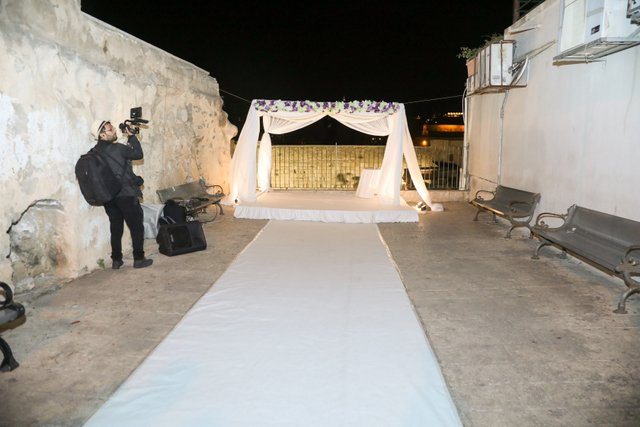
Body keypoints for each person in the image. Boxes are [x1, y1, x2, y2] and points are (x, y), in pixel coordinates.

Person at [90, 119, 153, 269]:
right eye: (110, 129)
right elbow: (138, 154)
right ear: (102, 135)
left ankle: (116, 260)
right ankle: (139, 259)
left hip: (109, 197)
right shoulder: (117, 148)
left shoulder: (94, 153)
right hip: (126, 194)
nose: (114, 131)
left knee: (116, 228)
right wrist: (131, 136)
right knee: (136, 227)